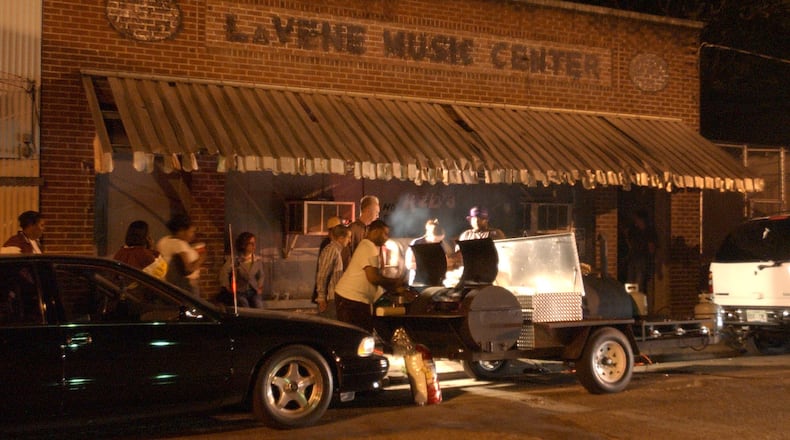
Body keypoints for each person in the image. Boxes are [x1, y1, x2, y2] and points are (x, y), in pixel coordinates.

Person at [335, 219, 403, 332]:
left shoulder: (367, 246)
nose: (387, 238)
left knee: (362, 335)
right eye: (385, 233)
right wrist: (394, 282)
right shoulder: (368, 247)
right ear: (375, 232)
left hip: (354, 300)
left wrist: (393, 288)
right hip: (351, 301)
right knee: (360, 337)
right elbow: (373, 277)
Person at [156, 214, 205, 295]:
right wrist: (202, 257)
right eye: (191, 231)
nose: (193, 235)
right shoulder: (180, 244)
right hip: (184, 286)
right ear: (182, 230)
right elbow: (188, 269)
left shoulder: (163, 240)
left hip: (166, 284)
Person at [315, 224, 351, 319]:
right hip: (331, 298)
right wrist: (321, 298)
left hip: (335, 298)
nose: (349, 241)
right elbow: (322, 275)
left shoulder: (336, 251)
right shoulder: (332, 250)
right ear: (340, 238)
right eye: (348, 238)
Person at [219, 232, 264, 308]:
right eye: (251, 243)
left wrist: (260, 286)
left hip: (254, 291)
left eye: (254, 243)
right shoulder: (235, 260)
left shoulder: (257, 260)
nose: (254, 246)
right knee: (244, 307)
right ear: (244, 244)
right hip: (240, 291)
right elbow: (224, 272)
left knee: (259, 306)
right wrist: (226, 286)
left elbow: (261, 275)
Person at [404, 219, 453, 285]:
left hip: (435, 281)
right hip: (418, 281)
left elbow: (445, 262)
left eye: (440, 240)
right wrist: (429, 266)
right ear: (428, 234)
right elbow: (409, 265)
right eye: (435, 239)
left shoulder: (441, 244)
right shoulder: (416, 243)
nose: (438, 243)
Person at [624, 209, 657, 294]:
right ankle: (631, 300)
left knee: (639, 283)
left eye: (637, 219)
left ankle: (638, 302)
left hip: (642, 259)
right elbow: (630, 244)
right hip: (633, 258)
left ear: (641, 219)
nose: (635, 221)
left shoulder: (648, 231)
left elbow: (651, 247)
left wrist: (651, 260)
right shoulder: (634, 230)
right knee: (630, 283)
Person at [312, 216, 343, 304]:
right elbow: (323, 272)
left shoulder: (332, 244)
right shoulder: (330, 246)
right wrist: (322, 297)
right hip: (329, 294)